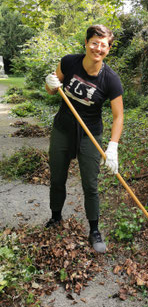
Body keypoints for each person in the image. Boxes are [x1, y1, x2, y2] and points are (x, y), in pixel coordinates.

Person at [45, 24, 123, 253]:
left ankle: (94, 230)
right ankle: (55, 217)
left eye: (104, 45)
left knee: (90, 183)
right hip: (62, 129)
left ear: (108, 49)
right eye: (94, 42)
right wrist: (49, 85)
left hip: (90, 134)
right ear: (86, 43)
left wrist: (113, 147)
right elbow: (53, 88)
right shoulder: (69, 62)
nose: (98, 48)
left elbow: (118, 117)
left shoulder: (111, 79)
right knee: (57, 177)